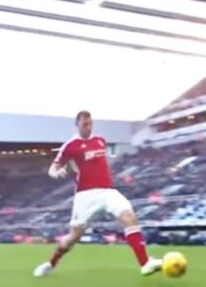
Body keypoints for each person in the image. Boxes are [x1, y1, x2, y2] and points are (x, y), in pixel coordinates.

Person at [34, 110, 163, 277]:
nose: (88, 127)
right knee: (74, 237)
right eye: (84, 124)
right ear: (78, 125)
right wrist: (56, 173)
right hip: (86, 195)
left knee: (128, 216)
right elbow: (54, 167)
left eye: (90, 124)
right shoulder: (71, 145)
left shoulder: (100, 141)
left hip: (108, 191)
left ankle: (145, 263)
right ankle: (51, 263)